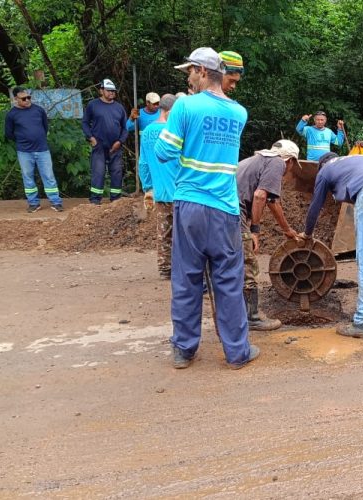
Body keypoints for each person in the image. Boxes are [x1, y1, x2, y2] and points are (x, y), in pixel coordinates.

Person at [154, 47, 258, 370]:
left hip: (191, 206)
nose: (188, 77)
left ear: (201, 71)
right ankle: (238, 352)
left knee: (187, 277)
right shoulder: (239, 113)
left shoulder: (185, 105)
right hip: (226, 209)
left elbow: (161, 153)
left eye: (189, 72)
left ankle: (184, 350)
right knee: (228, 279)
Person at [303, 153, 363, 339]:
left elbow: (315, 206)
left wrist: (307, 233)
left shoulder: (325, 170)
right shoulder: (352, 161)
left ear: (321, 165)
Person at [237, 139, 301, 331]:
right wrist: (254, 231)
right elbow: (259, 196)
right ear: (288, 160)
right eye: (291, 165)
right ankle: (252, 317)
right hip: (233, 212)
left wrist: (287, 230)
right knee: (248, 261)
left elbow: (272, 202)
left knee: (232, 261)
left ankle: (236, 312)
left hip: (218, 210)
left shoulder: (255, 160)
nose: (288, 170)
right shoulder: (277, 163)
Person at [5, 86, 64, 213]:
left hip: (42, 150)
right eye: (23, 98)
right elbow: (9, 133)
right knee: (27, 177)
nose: (27, 100)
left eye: (29, 97)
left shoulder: (39, 110)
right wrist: (22, 139)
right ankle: (33, 203)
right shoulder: (11, 114)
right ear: (16, 99)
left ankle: (56, 202)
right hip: (24, 151)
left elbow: (45, 127)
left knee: (49, 176)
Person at [139, 94, 179, 279]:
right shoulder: (174, 133)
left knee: (164, 232)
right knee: (184, 235)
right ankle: (183, 269)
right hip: (180, 193)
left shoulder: (147, 132)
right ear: (170, 111)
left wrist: (148, 187)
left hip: (160, 192)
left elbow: (143, 163)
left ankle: (165, 270)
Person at [82, 78, 128, 204]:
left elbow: (125, 128)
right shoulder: (93, 105)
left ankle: (116, 199)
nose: (112, 93)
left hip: (116, 145)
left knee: (117, 172)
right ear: (101, 90)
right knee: (98, 172)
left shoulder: (119, 108)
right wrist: (90, 138)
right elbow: (85, 123)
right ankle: (95, 200)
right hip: (99, 145)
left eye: (113, 91)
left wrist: (120, 141)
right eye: (109, 90)